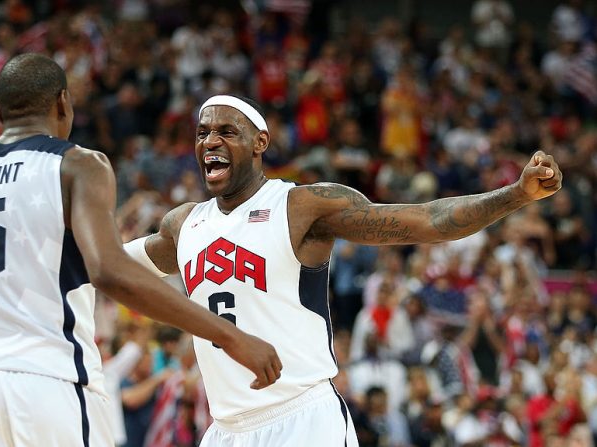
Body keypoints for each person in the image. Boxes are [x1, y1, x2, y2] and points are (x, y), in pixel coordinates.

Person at [0, 54, 282, 447]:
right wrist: (230, 336)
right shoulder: (78, 164)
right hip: (51, 387)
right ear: (63, 104)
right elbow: (109, 271)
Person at [122, 94, 563, 446]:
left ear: (260, 142)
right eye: (202, 133)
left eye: (225, 131)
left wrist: (515, 195)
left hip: (302, 419)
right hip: (224, 428)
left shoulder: (301, 206)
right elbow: (108, 264)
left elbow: (427, 220)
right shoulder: (183, 225)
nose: (210, 141)